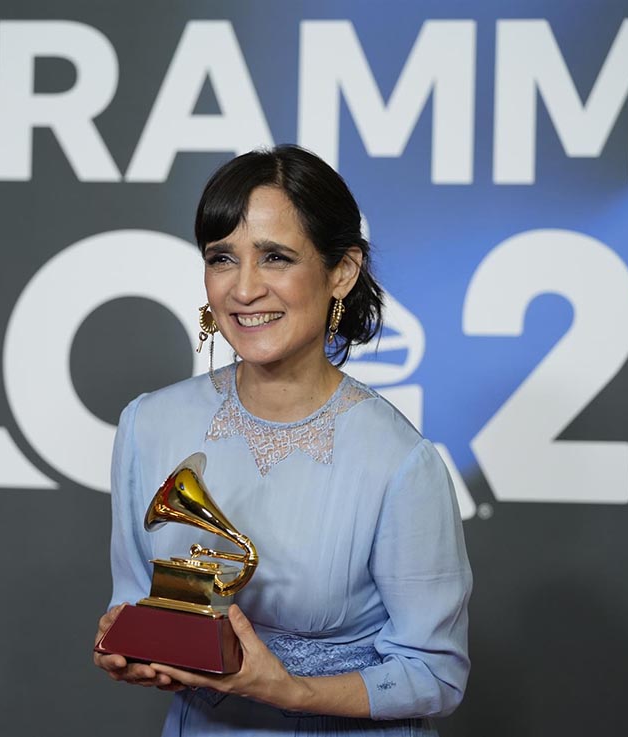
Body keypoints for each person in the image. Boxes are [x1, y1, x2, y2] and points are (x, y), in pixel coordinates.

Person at [93, 145, 472, 736]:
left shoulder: (400, 461)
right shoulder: (148, 424)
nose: (244, 289)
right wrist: (132, 651)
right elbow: (136, 602)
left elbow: (437, 677)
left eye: (275, 257)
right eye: (222, 258)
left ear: (342, 271)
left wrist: (287, 690)